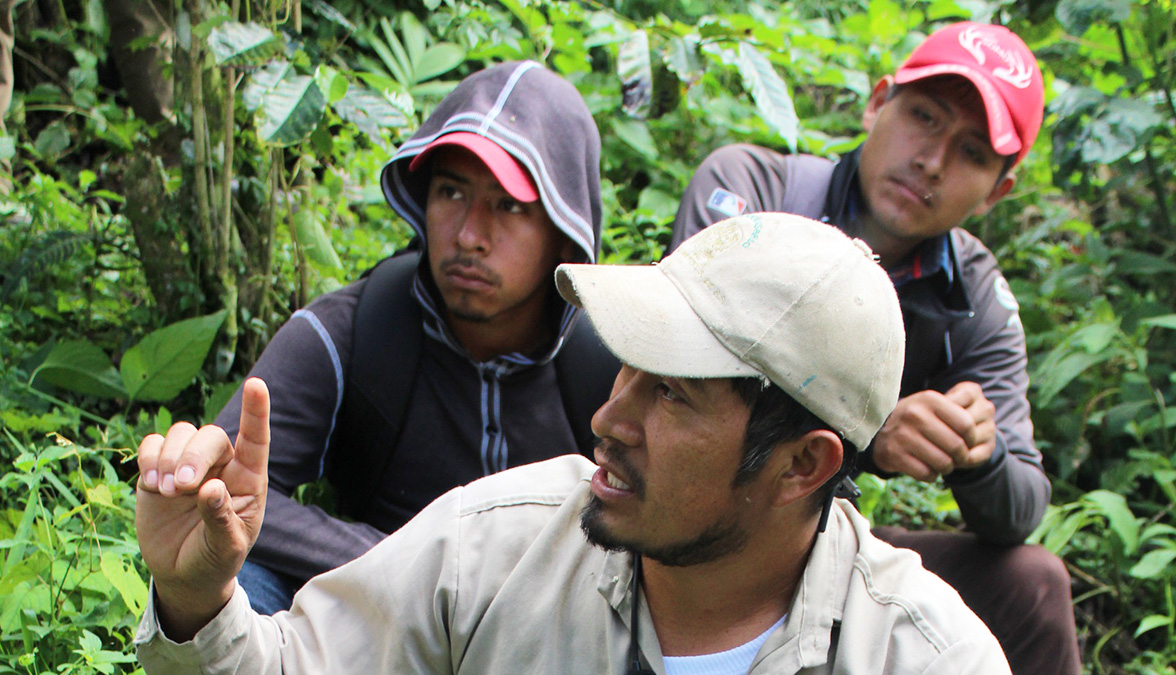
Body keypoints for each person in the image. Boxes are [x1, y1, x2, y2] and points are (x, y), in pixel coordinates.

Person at [133, 213, 1012, 674]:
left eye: (671, 393)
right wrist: (195, 602)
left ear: (802, 465)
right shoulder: (497, 541)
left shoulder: (921, 657)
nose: (609, 418)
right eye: (626, 368)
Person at [668, 22, 1077, 675]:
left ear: (998, 190)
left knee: (1033, 583)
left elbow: (1021, 504)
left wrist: (979, 453)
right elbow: (690, 369)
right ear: (877, 102)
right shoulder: (757, 190)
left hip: (830, 548)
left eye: (971, 151)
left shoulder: (972, 298)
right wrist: (869, 428)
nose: (932, 160)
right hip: (698, 522)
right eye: (923, 117)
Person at [211, 60, 618, 614]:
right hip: (381, 617)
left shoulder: (616, 367)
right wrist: (408, 563)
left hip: (553, 631)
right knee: (233, 582)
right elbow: (225, 486)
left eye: (508, 205)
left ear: (563, 236)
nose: (470, 235)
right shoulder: (356, 332)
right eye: (451, 193)